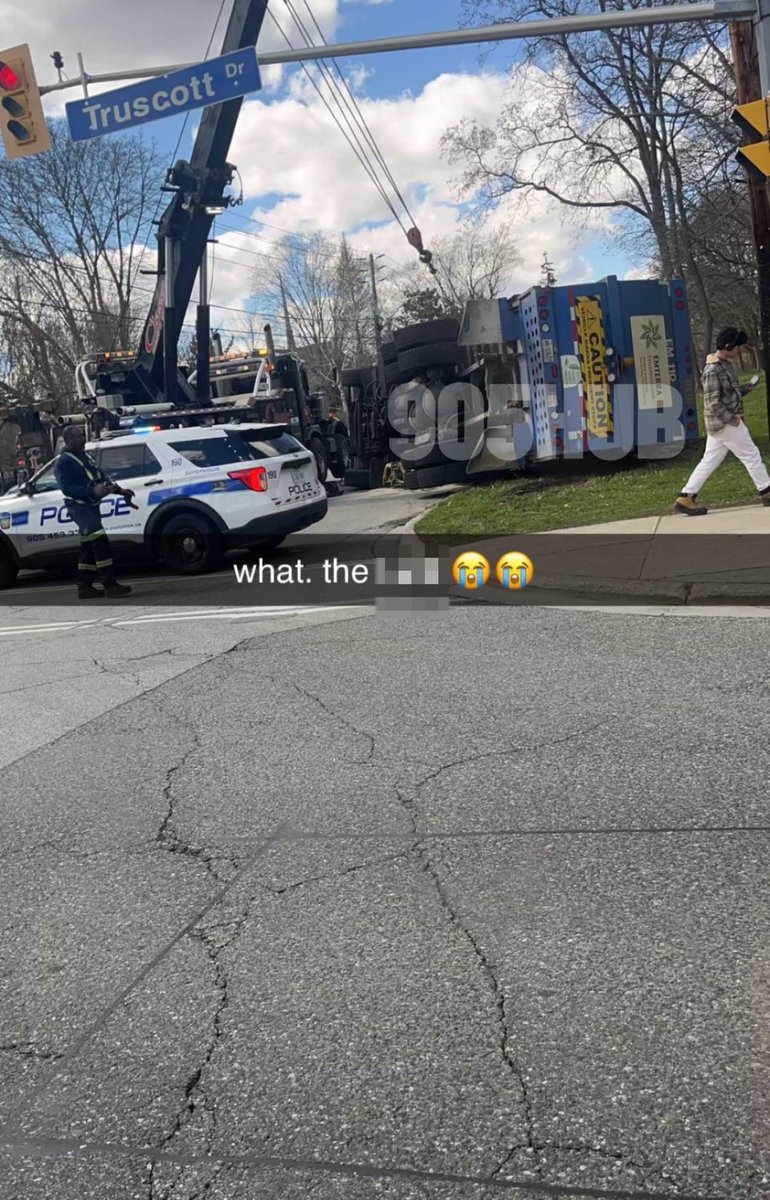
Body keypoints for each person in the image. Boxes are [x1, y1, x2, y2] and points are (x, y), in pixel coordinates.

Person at [675, 327, 770, 516]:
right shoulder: (712, 370)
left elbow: (728, 394)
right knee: (751, 455)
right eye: (738, 348)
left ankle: (686, 497)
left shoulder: (724, 364)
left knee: (709, 461)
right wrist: (731, 419)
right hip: (726, 422)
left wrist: (746, 389)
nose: (739, 351)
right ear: (728, 346)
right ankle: (766, 491)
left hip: (722, 424)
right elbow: (712, 402)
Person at [54, 425, 133, 600]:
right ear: (68, 441)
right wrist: (92, 491)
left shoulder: (85, 456)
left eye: (82, 436)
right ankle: (110, 585)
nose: (82, 439)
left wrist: (119, 491)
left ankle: (84, 586)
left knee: (88, 546)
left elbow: (100, 477)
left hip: (91, 507)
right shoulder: (63, 461)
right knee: (100, 541)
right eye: (77, 437)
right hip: (79, 508)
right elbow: (67, 488)